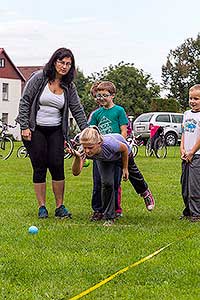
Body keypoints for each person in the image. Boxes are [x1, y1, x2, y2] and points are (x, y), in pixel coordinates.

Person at [16, 48, 88, 219]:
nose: (64, 66)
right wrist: (25, 126)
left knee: (57, 165)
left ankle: (59, 206)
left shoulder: (68, 86)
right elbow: (25, 101)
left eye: (68, 64)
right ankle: (42, 207)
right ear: (54, 62)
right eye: (62, 62)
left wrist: (87, 130)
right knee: (39, 166)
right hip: (35, 128)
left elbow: (77, 109)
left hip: (56, 130)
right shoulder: (40, 78)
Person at [69, 126, 155, 226]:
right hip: (104, 160)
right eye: (85, 147)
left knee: (134, 175)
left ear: (99, 143)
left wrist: (125, 168)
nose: (87, 151)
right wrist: (77, 157)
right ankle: (109, 217)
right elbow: (76, 172)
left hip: (122, 154)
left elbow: (124, 149)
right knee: (107, 184)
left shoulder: (110, 144)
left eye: (90, 147)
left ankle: (145, 193)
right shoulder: (83, 150)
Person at [88, 81, 128, 221]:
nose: (102, 98)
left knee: (114, 183)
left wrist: (118, 143)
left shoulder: (119, 111)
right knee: (98, 183)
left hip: (115, 152)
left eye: (105, 95)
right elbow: (91, 132)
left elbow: (124, 131)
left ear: (112, 96)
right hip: (99, 154)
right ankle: (98, 210)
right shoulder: (96, 114)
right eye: (99, 95)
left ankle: (115, 209)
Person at [180, 84, 200, 222]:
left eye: (196, 98)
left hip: (197, 155)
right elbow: (184, 134)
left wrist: (192, 151)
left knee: (194, 187)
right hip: (186, 155)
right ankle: (187, 211)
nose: (193, 101)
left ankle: (196, 213)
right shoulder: (186, 114)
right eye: (191, 98)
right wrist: (182, 150)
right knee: (185, 186)